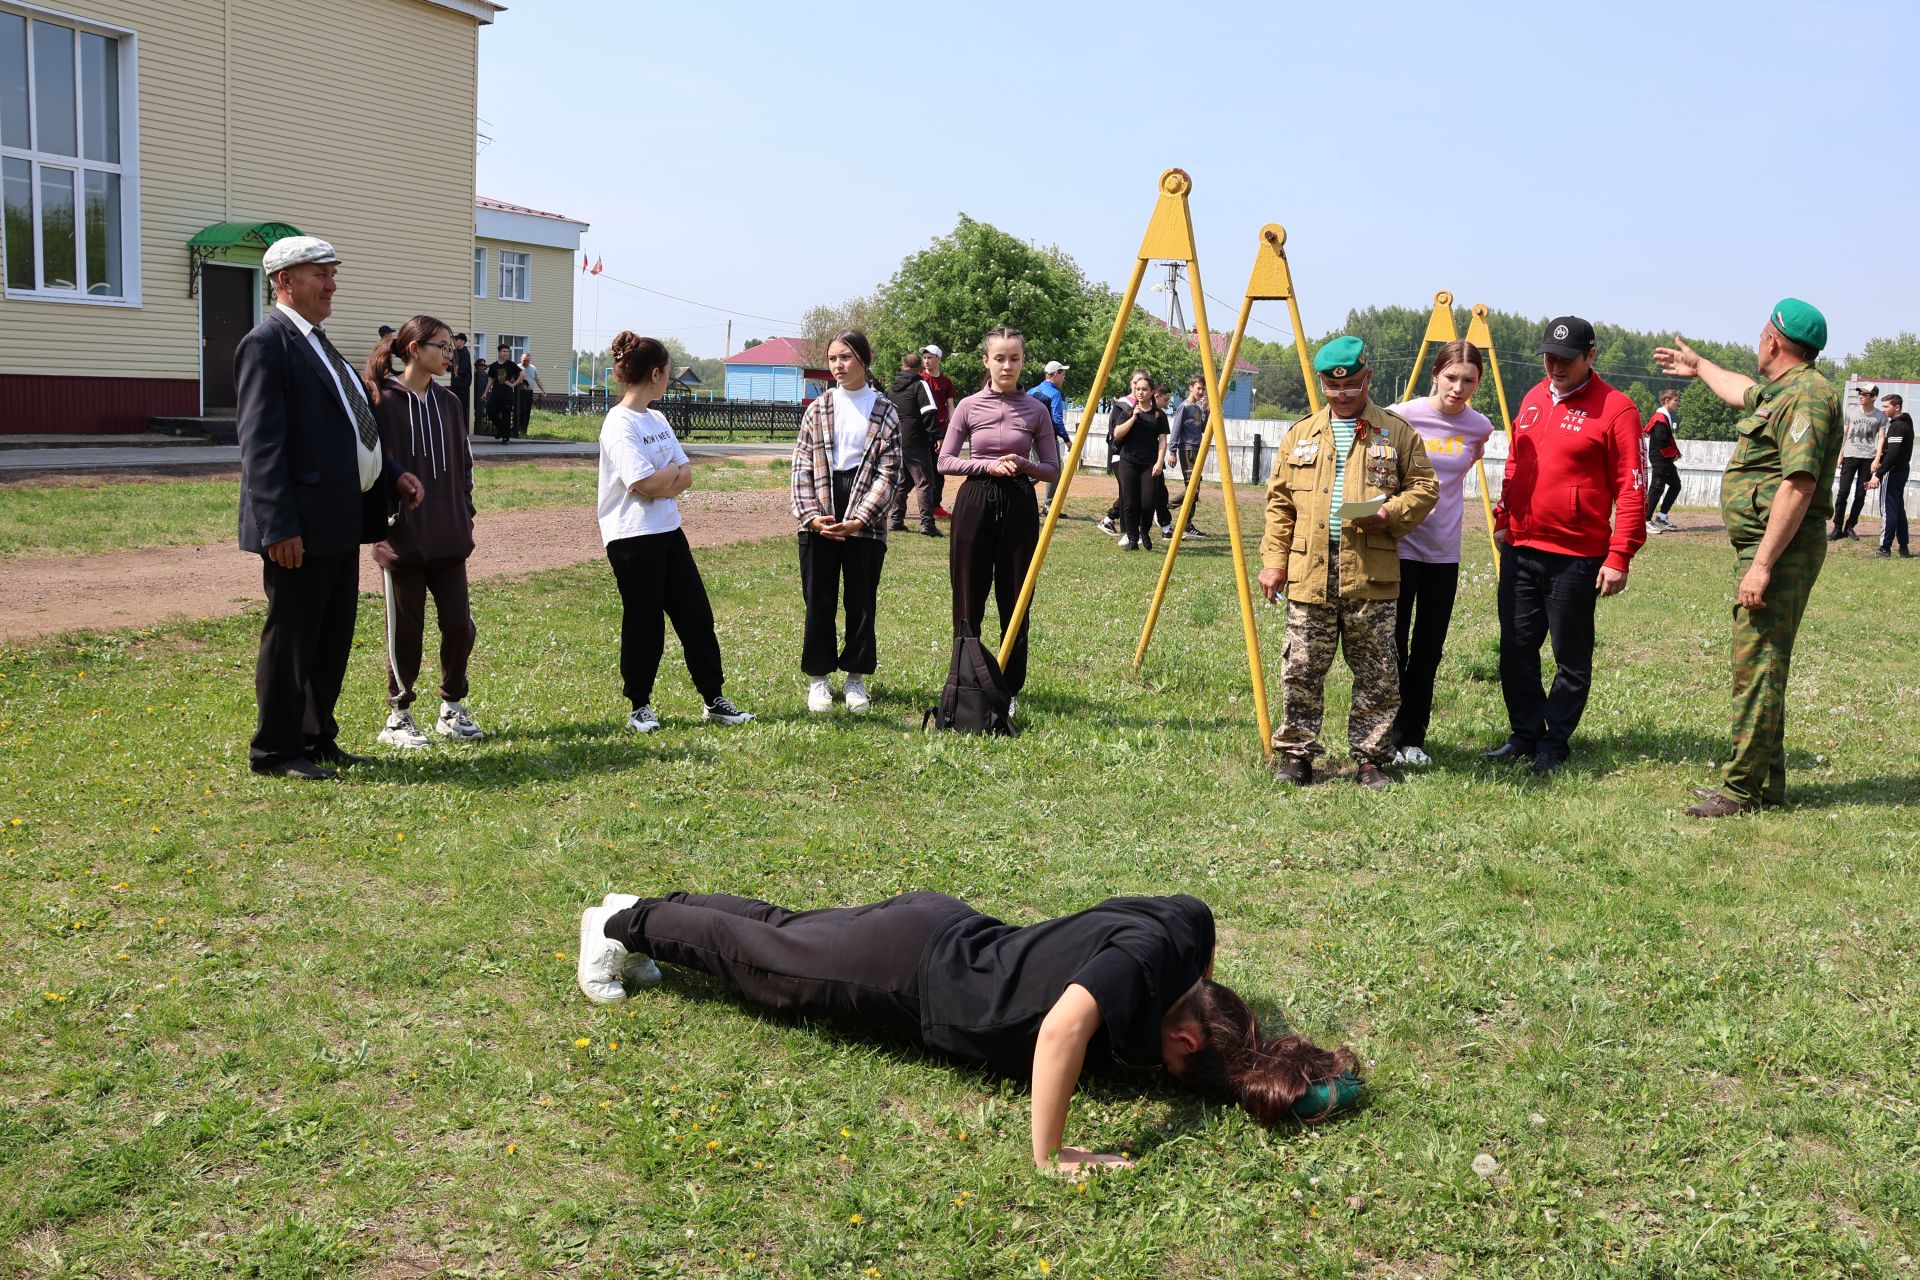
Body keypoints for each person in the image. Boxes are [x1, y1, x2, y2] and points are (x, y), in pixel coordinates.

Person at [575, 888, 1362, 1172]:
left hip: (946, 924)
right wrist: (1052, 1156)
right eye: (1169, 1069)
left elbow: (1200, 920)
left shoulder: (1185, 939)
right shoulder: (1128, 979)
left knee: (782, 933)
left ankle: (646, 904)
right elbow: (1060, 1032)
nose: (1153, 1073)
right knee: (767, 964)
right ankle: (617, 923)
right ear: (1186, 1038)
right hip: (908, 971)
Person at [235, 236, 422, 780]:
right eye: (322, 274)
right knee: (292, 639)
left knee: (332, 635)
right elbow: (261, 445)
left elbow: (351, 430)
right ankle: (275, 751)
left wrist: (393, 475)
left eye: (333, 273)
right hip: (300, 527)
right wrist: (279, 527)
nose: (332, 284)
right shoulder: (267, 344)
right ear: (285, 281)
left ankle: (317, 739)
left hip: (341, 518)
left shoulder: (321, 343)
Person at [1654, 300, 1842, 817]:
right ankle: (1767, 784)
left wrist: (1761, 565)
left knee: (1757, 665)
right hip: (1766, 547)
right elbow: (1739, 388)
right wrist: (1698, 367)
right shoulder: (1785, 390)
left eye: (1761, 335)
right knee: (1761, 662)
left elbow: (1798, 484)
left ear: (1773, 342)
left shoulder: (1805, 397)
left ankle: (1740, 791)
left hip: (1778, 551)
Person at [1258, 337, 1438, 789]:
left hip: (1370, 570)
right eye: (1332, 386)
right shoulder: (1300, 434)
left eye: (1352, 385)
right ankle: (1297, 754)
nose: (1342, 394)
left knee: (1377, 671)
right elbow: (1279, 504)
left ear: (1367, 377)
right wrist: (1273, 561)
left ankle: (1371, 758)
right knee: (1301, 668)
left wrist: (1390, 514)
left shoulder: (1396, 433)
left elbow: (1424, 487)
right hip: (1308, 571)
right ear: (1322, 382)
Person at [1486, 316, 1645, 776]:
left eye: (1565, 359)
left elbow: (1632, 486)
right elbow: (1516, 460)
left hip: (1576, 555)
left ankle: (1554, 742)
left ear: (1590, 357)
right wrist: (1503, 516)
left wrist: (1620, 555)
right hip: (1520, 546)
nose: (1554, 366)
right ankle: (1524, 733)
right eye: (1548, 358)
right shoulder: (1534, 398)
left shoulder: (1617, 409)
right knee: (1515, 647)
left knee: (1570, 656)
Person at [598, 331, 754, 733]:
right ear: (654, 374)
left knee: (696, 616)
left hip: (668, 531)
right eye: (667, 373)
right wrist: (665, 477)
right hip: (632, 538)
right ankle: (640, 705)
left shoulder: (657, 418)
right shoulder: (619, 424)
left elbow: (685, 475)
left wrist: (663, 477)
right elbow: (645, 484)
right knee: (644, 622)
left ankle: (714, 698)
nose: (668, 380)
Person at [361, 314, 485, 750]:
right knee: (405, 629)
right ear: (415, 349)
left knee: (458, 626)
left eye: (452, 348)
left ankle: (451, 708)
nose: (449, 355)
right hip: (402, 540)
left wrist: (463, 513)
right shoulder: (381, 399)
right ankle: (399, 715)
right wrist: (388, 516)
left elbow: (465, 465)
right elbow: (369, 466)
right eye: (442, 347)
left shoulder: (450, 403)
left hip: (449, 537)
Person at [938, 325, 1061, 714]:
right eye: (1000, 358)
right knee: (968, 596)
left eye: (1015, 358)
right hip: (974, 500)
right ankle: (966, 683)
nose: (1007, 365)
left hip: (1020, 505)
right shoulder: (969, 406)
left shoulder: (1037, 409)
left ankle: (1009, 690)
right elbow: (944, 461)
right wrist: (986, 466)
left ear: (1023, 362)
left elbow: (1052, 469)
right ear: (986, 361)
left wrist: (1024, 464)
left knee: (1016, 597)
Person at [1386, 341, 1496, 767]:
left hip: (1444, 553)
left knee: (1428, 649)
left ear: (1478, 382)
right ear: (1436, 373)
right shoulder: (1402, 416)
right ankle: (1385, 735)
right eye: (1451, 378)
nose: (1458, 388)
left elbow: (1461, 473)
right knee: (1391, 646)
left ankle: (1413, 738)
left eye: (1468, 381)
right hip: (1398, 547)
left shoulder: (1479, 427)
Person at [790, 329, 903, 713]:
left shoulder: (885, 409)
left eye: (846, 357)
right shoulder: (818, 408)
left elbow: (890, 472)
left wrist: (859, 520)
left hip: (865, 516)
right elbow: (801, 465)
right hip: (820, 508)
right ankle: (818, 679)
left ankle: (856, 680)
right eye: (833, 358)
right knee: (818, 599)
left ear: (864, 360)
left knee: (860, 600)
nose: (839, 365)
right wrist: (811, 516)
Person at [1110, 370, 1169, 551]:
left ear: (1152, 392)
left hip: (1149, 464)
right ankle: (1133, 538)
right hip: (1128, 462)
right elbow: (1117, 433)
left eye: (1144, 389)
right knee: (1129, 501)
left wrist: (1159, 463)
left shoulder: (1159, 415)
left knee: (1148, 501)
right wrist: (1134, 417)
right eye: (1138, 389)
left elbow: (1163, 441)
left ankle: (1144, 531)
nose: (1141, 392)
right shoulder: (1127, 411)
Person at [885, 352, 942, 537]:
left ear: (902, 366)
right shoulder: (920, 384)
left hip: (896, 441)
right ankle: (927, 524)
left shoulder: (892, 389)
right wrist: (937, 436)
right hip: (916, 440)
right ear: (920, 369)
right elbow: (929, 412)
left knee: (903, 482)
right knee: (924, 482)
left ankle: (896, 520)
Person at [1832, 385, 1884, 540]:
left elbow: (1881, 438)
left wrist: (1877, 458)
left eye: (1865, 394)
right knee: (1843, 492)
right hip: (1850, 456)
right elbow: (1845, 433)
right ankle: (1837, 527)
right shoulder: (1851, 411)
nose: (1861, 396)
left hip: (1868, 458)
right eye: (1860, 394)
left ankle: (1850, 527)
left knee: (1860, 494)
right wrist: (1840, 454)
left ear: (1873, 397)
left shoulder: (1880, 416)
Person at [1166, 374, 1212, 538]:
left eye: (1203, 389)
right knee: (1192, 488)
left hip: (1198, 449)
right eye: (1198, 388)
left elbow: (1205, 430)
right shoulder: (1184, 407)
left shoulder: (1199, 408)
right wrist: (1172, 452)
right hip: (1187, 450)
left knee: (1195, 490)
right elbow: (1176, 430)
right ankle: (1165, 507)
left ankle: (1187, 525)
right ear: (1191, 388)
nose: (1201, 392)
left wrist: (1207, 410)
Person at [1868, 393, 1911, 558]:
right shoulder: (1904, 423)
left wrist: (1878, 474)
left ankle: (1884, 549)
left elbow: (1893, 454)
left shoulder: (1898, 426)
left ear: (1897, 407)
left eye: (1886, 406)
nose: (1883, 410)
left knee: (1888, 510)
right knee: (1899, 510)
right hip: (1901, 470)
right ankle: (1904, 548)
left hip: (1894, 472)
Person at [1028, 360, 1074, 511]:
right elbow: (1057, 419)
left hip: (1031, 436)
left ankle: (1019, 485)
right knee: (1054, 470)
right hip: (1046, 437)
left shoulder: (1032, 391)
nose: (1064, 378)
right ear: (1055, 374)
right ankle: (1048, 506)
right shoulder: (1054, 393)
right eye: (1063, 374)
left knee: (1036, 466)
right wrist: (1067, 440)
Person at [921, 344, 957, 519]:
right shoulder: (918, 379)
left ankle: (936, 506)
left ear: (938, 359)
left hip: (941, 431)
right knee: (919, 471)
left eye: (930, 357)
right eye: (925, 357)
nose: (926, 360)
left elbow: (950, 406)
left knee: (939, 470)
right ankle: (902, 507)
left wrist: (951, 428)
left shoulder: (946, 381)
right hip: (922, 431)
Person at [1644, 389, 1683, 532]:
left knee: (1675, 485)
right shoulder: (1660, 418)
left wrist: (1673, 454)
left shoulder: (1664, 416)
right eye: (1675, 400)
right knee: (1656, 488)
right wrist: (1672, 455)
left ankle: (1661, 517)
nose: (1677, 403)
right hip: (1660, 458)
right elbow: (1661, 441)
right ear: (1666, 401)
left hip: (1663, 459)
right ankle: (1646, 520)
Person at [485, 343, 520, 443]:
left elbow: (522, 374)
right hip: (495, 394)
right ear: (499, 352)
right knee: (491, 412)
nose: (506, 353)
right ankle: (501, 429)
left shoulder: (511, 364)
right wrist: (485, 392)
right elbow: (490, 379)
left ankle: (506, 438)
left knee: (506, 416)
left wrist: (514, 384)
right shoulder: (494, 366)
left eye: (508, 352)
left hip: (507, 395)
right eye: (504, 351)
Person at [516, 349, 545, 439]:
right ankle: (518, 429)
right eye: (524, 360)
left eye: (528, 361)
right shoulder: (517, 367)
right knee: (521, 410)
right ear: (521, 359)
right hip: (519, 392)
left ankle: (524, 430)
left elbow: (537, 380)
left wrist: (543, 390)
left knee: (527, 411)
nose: (526, 362)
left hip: (529, 392)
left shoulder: (533, 368)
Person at [448, 333, 473, 431]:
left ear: (462, 341)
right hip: (455, 384)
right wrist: (452, 365)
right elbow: (449, 368)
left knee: (461, 407)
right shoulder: (455, 352)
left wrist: (452, 365)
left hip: (462, 385)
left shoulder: (465, 353)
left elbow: (461, 370)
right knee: (454, 406)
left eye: (456, 340)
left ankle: (463, 430)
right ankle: (455, 429)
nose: (454, 342)